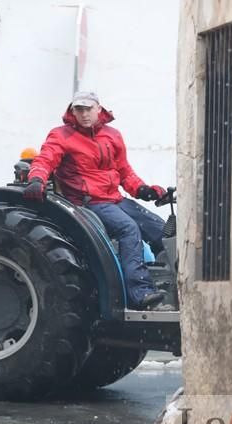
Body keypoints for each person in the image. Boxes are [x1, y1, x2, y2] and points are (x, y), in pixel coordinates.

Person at [22, 91, 168, 311]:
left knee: (161, 230)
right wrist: (36, 179)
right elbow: (46, 159)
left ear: (99, 109)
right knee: (128, 229)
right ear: (72, 112)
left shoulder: (113, 135)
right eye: (78, 109)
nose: (83, 114)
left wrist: (143, 189)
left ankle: (167, 284)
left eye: (88, 109)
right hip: (88, 202)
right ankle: (141, 294)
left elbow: (124, 171)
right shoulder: (61, 136)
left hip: (115, 199)